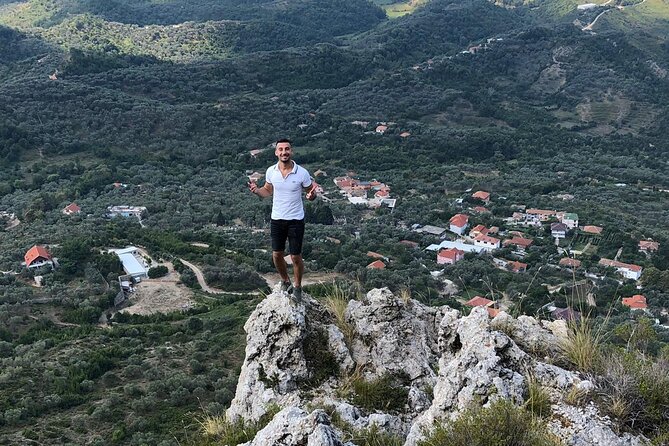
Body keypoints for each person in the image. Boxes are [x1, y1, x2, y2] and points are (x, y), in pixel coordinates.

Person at [248, 139, 317, 300]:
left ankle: (298, 287)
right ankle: (286, 281)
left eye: (287, 149)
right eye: (281, 149)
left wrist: (312, 196)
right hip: (277, 219)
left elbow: (310, 193)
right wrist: (256, 191)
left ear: (291, 151)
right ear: (276, 152)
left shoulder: (302, 173)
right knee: (276, 255)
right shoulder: (271, 171)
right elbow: (267, 190)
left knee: (295, 257)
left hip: (296, 219)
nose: (284, 152)